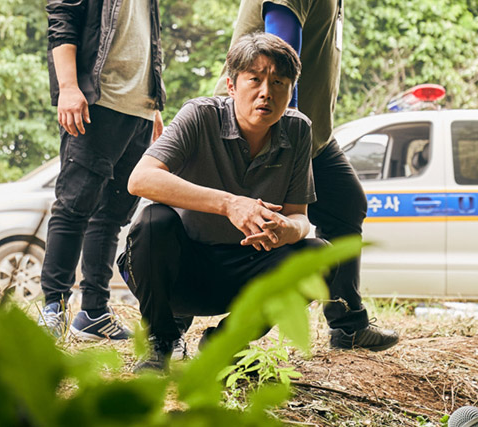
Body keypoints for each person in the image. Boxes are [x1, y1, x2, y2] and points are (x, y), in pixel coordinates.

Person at [121, 33, 396, 372]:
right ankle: (161, 342)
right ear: (231, 86)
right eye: (255, 79)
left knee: (319, 256)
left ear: (291, 92)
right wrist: (229, 204)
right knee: (153, 221)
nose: (267, 92)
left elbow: (300, 217)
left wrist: (288, 230)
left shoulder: (298, 130)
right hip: (182, 271)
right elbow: (140, 180)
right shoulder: (199, 115)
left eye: (279, 82)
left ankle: (224, 344)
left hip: (247, 271)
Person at [214, 0, 399, 352]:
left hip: (312, 137)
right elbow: (278, 48)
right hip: (262, 124)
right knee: (208, 222)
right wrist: (286, 127)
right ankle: (170, 332)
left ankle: (348, 325)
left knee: (345, 205)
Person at [38, 0, 166, 340]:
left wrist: (154, 102)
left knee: (112, 216)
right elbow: (62, 17)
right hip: (97, 99)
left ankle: (94, 312)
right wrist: (68, 86)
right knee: (73, 206)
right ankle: (53, 308)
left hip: (139, 107)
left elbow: (146, 37)